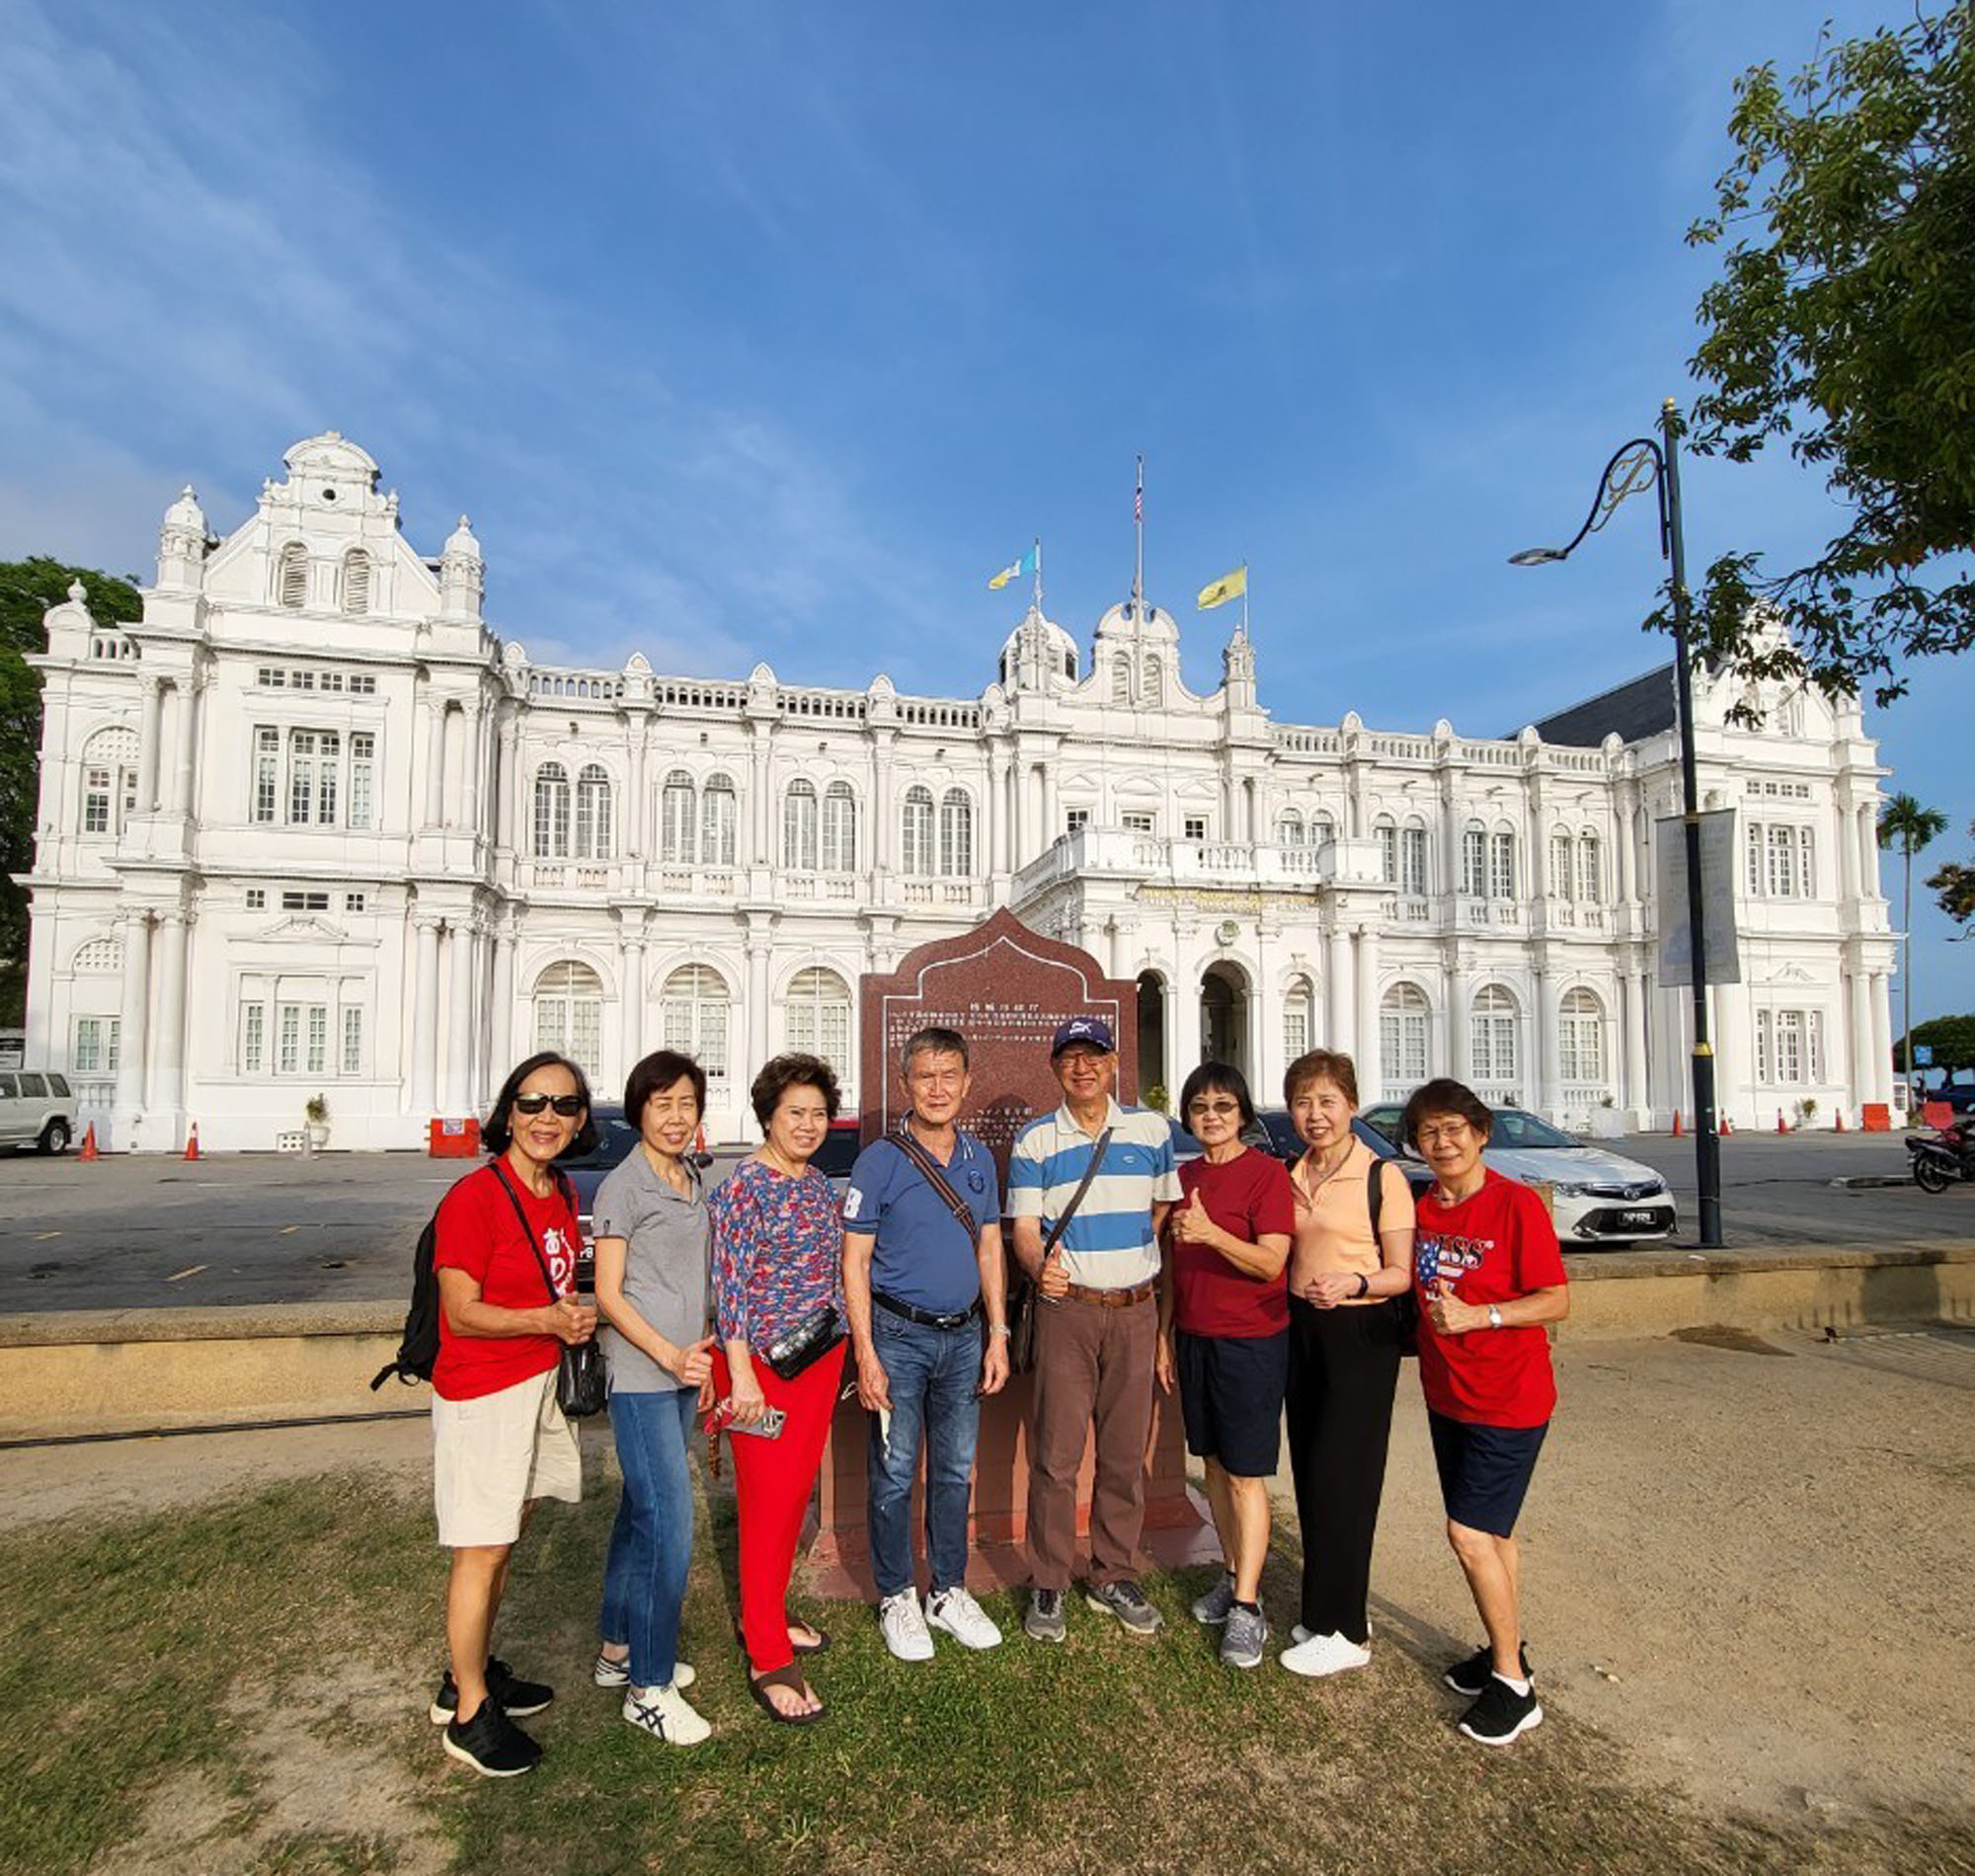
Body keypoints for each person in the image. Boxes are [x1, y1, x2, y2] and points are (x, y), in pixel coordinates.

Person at [427, 1052, 597, 1777]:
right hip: (483, 1390)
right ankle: (468, 1712)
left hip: (536, 1384)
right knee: (481, 1548)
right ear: (507, 1113)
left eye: (562, 1106)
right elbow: (461, 1314)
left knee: (507, 1533)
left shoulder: (556, 1192)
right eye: (532, 1104)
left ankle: (473, 1673)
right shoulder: (475, 1198)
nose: (546, 1118)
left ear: (580, 1119)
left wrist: (565, 1320)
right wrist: (547, 1321)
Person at [1403, 1076, 1569, 1747]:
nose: (1441, 1143)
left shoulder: (1515, 1205)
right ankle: (1506, 1647)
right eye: (1428, 1133)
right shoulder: (1425, 1209)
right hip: (1449, 1395)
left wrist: (1484, 1314)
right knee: (1494, 1535)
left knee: (1467, 1536)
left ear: (1479, 1134)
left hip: (1510, 1398)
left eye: (1452, 1130)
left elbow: (1555, 1298)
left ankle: (1513, 1686)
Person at [1010, 1017, 1180, 1642]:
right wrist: (1040, 1269)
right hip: (1068, 1312)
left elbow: (1162, 1206)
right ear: (1056, 1069)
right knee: (1056, 1458)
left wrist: (1133, 1260)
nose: (1082, 1068)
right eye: (1070, 1059)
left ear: (1114, 1063)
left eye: (1094, 1056)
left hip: (1134, 1311)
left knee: (1123, 1454)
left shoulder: (1151, 1130)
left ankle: (1113, 1570)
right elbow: (1025, 1229)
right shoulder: (1036, 1141)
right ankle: (1049, 1581)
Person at [843, 1026, 1009, 1660]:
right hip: (897, 1337)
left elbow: (990, 1246)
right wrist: (865, 1351)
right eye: (924, 1076)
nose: (937, 1089)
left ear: (967, 1083)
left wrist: (997, 1334)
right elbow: (853, 1262)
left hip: (964, 1338)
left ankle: (947, 1590)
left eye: (949, 1076)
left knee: (953, 1472)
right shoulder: (880, 1160)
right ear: (905, 1082)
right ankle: (896, 1595)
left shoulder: (975, 1160)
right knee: (892, 1474)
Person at [708, 1053, 848, 1723]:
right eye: (795, 1112)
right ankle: (766, 1651)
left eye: (819, 1113)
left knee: (792, 1498)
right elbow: (729, 1291)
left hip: (817, 1363)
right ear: (769, 1115)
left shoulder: (818, 1183)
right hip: (759, 1372)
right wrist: (740, 1378)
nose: (808, 1124)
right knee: (766, 1503)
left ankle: (767, 1609)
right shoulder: (745, 1187)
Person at [1274, 1049, 1417, 1679]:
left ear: (1352, 1106)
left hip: (1359, 1330)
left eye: (1328, 1101)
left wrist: (1354, 1283)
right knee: (1309, 1466)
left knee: (1347, 1477)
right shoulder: (1291, 1172)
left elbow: (1400, 1275)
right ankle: (1320, 1610)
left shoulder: (1380, 1176)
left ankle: (1348, 1628)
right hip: (1301, 1329)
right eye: (1303, 1102)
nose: (1315, 1114)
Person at [592, 1050, 717, 1747]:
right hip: (645, 1377)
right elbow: (609, 1295)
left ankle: (618, 1650)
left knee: (638, 1514)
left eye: (687, 1104)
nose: (675, 1117)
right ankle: (649, 1685)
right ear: (639, 1108)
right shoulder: (624, 1187)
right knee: (669, 1524)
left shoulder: (691, 1177)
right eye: (662, 1103)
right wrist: (668, 1351)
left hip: (683, 1375)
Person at [1157, 1060, 1295, 1669]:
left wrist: (1213, 1235)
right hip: (1193, 1337)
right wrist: (1164, 1336)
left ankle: (1248, 1604)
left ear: (1242, 1113)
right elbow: (1169, 1273)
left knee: (1244, 1473)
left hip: (1251, 1341)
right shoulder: (1181, 1176)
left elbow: (1271, 1265)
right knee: (1210, 1463)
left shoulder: (1266, 1176)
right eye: (1200, 1108)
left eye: (1223, 1107)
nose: (1211, 1118)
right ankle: (1232, 1571)